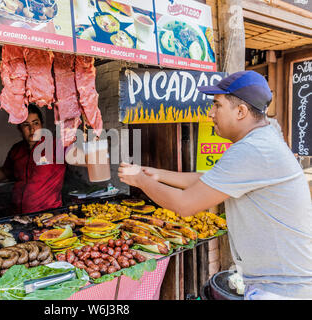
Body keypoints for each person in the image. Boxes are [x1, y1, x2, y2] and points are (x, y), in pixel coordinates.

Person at [118, 70, 312, 300]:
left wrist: (139, 180)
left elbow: (185, 205)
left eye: (217, 105)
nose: (211, 114)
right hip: (280, 282)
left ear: (241, 111)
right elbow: (209, 180)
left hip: (281, 289)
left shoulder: (252, 150)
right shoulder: (262, 140)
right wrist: (158, 175)